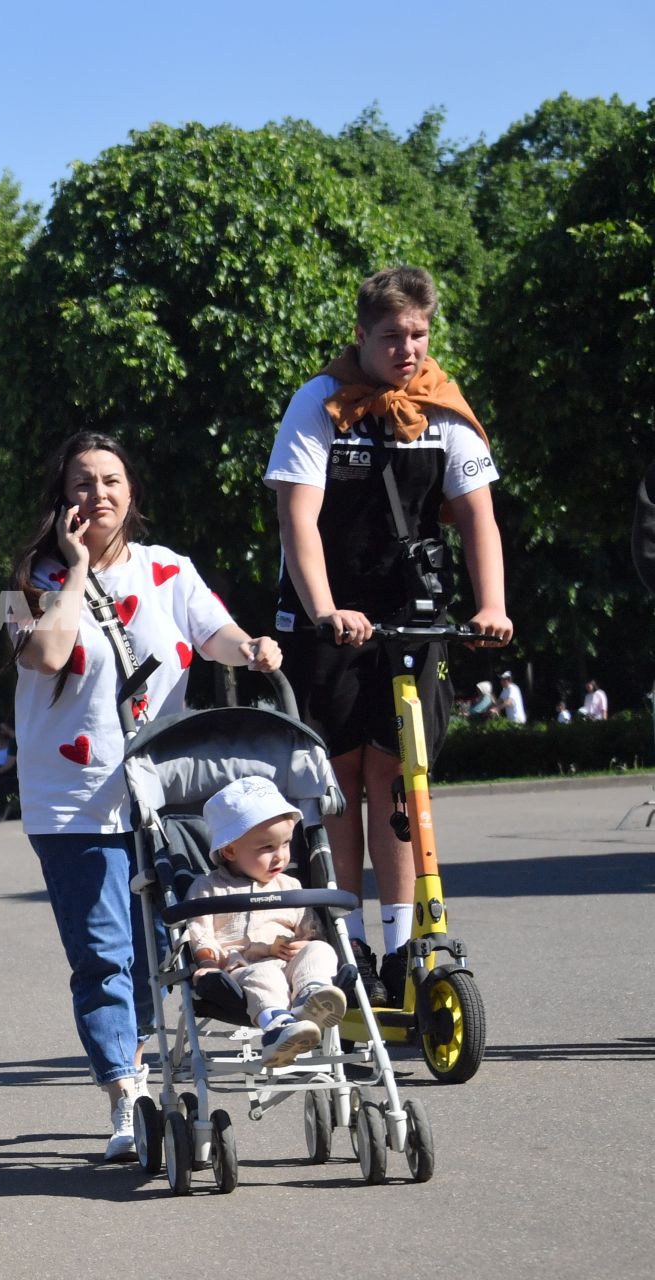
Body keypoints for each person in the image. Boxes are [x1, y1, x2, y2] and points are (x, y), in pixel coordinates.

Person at [10, 431, 281, 1161]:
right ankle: (125, 1094)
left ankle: (139, 1067)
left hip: (156, 795)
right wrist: (70, 569)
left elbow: (213, 632)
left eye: (109, 480)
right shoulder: (28, 580)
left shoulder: (168, 571)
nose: (96, 494)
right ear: (61, 498)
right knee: (102, 955)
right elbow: (48, 653)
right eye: (80, 483)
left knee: (154, 947)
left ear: (130, 492)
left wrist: (249, 647)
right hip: (70, 802)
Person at [266, 266, 512, 1007]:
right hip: (333, 617)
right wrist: (323, 611)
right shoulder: (320, 403)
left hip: (412, 610)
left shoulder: (443, 408)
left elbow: (476, 518)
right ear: (360, 336)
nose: (407, 349)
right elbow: (296, 519)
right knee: (338, 782)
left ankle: (404, 943)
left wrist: (490, 605)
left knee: (399, 780)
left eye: (418, 334)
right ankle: (347, 943)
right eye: (391, 336)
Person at [186, 777, 348, 1068]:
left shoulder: (290, 885)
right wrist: (207, 963)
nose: (281, 856)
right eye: (267, 848)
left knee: (322, 951)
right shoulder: (208, 888)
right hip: (241, 970)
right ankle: (277, 1028)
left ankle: (312, 997)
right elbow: (201, 932)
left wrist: (305, 942)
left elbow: (309, 924)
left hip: (291, 967)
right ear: (230, 851)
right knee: (265, 977)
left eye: (286, 844)